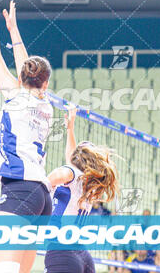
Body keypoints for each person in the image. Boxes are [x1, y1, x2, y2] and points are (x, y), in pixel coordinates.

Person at [0, 0, 53, 273]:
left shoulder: (16, 96)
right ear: (45, 84)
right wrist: (15, 32)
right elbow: (25, 67)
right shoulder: (46, 104)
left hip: (19, 191)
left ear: (21, 79)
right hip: (42, 197)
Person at [44, 108, 119, 273]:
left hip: (61, 249)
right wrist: (70, 128)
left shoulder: (70, 174)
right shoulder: (89, 183)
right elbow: (71, 158)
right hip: (83, 255)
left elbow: (61, 172)